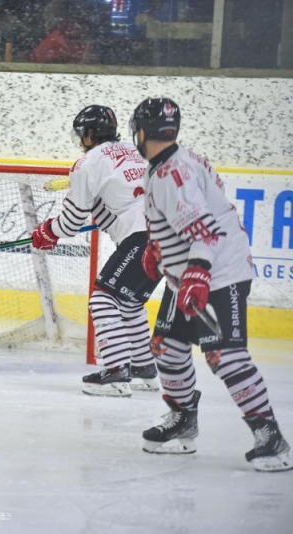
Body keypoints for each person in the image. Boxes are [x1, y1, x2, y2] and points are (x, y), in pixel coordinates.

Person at [130, 97, 291, 472]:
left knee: (224, 355)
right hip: (187, 275)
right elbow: (183, 221)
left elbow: (205, 229)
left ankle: (270, 435)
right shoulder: (165, 166)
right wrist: (158, 247)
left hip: (219, 274)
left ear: (141, 131)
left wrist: (198, 273)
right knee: (166, 346)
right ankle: (183, 419)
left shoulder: (172, 172)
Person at [30, 105, 160, 397]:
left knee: (103, 301)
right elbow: (116, 207)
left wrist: (47, 232)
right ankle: (144, 370)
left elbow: (73, 221)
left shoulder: (87, 163)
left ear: (89, 134)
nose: (79, 142)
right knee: (128, 303)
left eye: (81, 135)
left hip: (145, 235)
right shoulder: (137, 150)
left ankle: (116, 374)